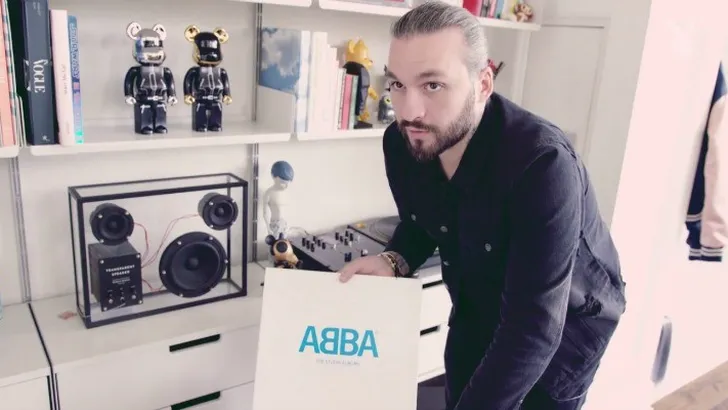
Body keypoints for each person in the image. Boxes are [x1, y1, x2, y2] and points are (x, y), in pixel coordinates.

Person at [337, 2, 627, 409]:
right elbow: (423, 220)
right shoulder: (403, 143)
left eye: (432, 85)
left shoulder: (542, 165)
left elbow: (533, 328)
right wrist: (394, 260)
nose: (409, 111)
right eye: (398, 84)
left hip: (562, 332)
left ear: (483, 84)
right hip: (474, 310)